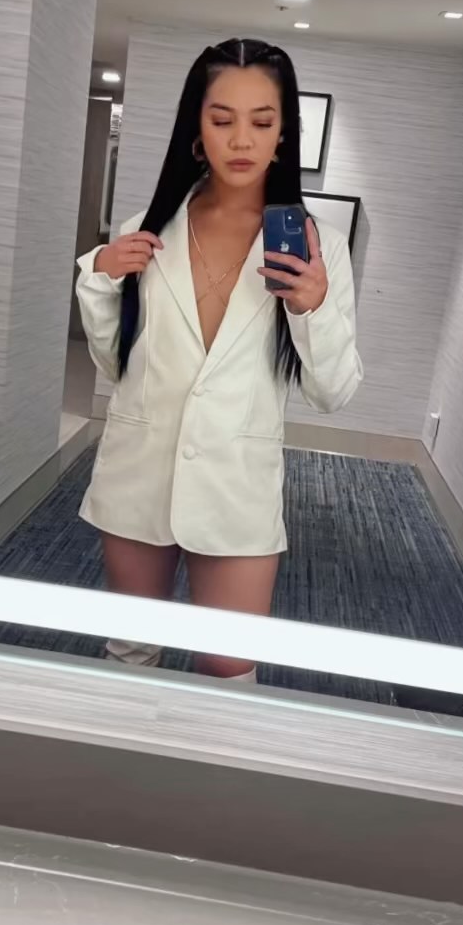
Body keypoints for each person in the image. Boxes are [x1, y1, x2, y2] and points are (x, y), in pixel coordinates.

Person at [76, 38, 362, 682]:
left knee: (229, 668)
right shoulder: (144, 229)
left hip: (237, 485)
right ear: (196, 130)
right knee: (129, 654)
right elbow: (115, 367)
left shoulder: (317, 245)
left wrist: (313, 307)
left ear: (283, 133)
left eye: (261, 121)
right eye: (222, 118)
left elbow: (333, 392)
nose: (241, 139)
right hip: (138, 472)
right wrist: (100, 278)